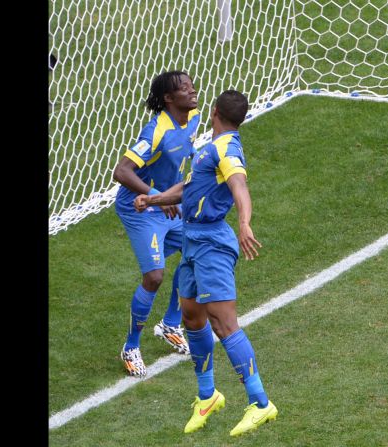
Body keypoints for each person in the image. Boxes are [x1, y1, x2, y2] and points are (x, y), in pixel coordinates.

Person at [134, 90, 278, 436]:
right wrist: (153, 199)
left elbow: (239, 186)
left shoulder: (227, 149)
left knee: (223, 322)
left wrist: (244, 222)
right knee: (191, 316)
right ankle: (207, 396)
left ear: (214, 112)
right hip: (192, 240)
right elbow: (188, 189)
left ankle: (261, 403)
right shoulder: (209, 148)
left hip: (212, 241)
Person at [113, 70, 200, 376]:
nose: (192, 91)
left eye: (191, 85)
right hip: (139, 209)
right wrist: (155, 197)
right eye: (185, 88)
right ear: (168, 98)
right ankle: (131, 347)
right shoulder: (155, 131)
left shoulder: (194, 117)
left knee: (196, 254)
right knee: (154, 276)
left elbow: (187, 152)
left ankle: (170, 324)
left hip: (166, 204)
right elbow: (121, 172)